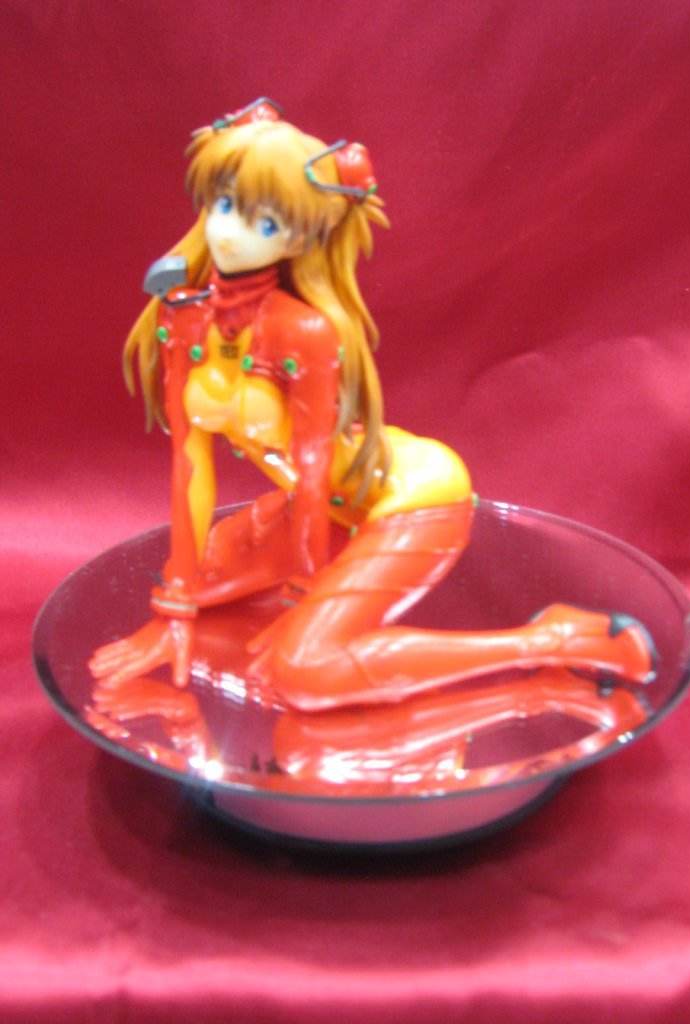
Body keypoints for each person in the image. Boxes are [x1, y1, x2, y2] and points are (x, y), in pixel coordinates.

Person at [89, 99, 653, 712]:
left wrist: (310, 602)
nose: (228, 232)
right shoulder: (181, 319)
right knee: (204, 566)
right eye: (224, 205)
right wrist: (174, 610)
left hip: (410, 497)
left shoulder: (304, 332)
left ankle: (550, 640)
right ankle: (296, 601)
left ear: (300, 236)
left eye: (263, 222)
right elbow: (190, 466)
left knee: (303, 672)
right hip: (326, 513)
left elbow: (313, 473)